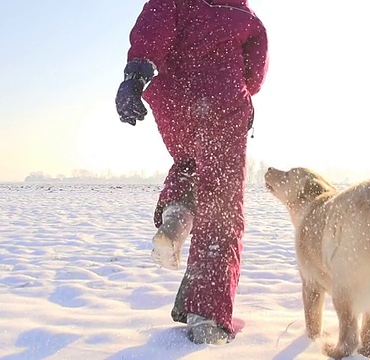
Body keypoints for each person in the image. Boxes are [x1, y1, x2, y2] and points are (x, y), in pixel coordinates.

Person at [115, 0, 268, 345]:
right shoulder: (242, 12)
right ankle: (207, 317)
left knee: (188, 162)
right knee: (221, 206)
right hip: (224, 103)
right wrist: (242, 90)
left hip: (176, 102)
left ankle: (178, 214)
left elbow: (150, 32)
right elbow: (256, 70)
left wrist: (133, 80)